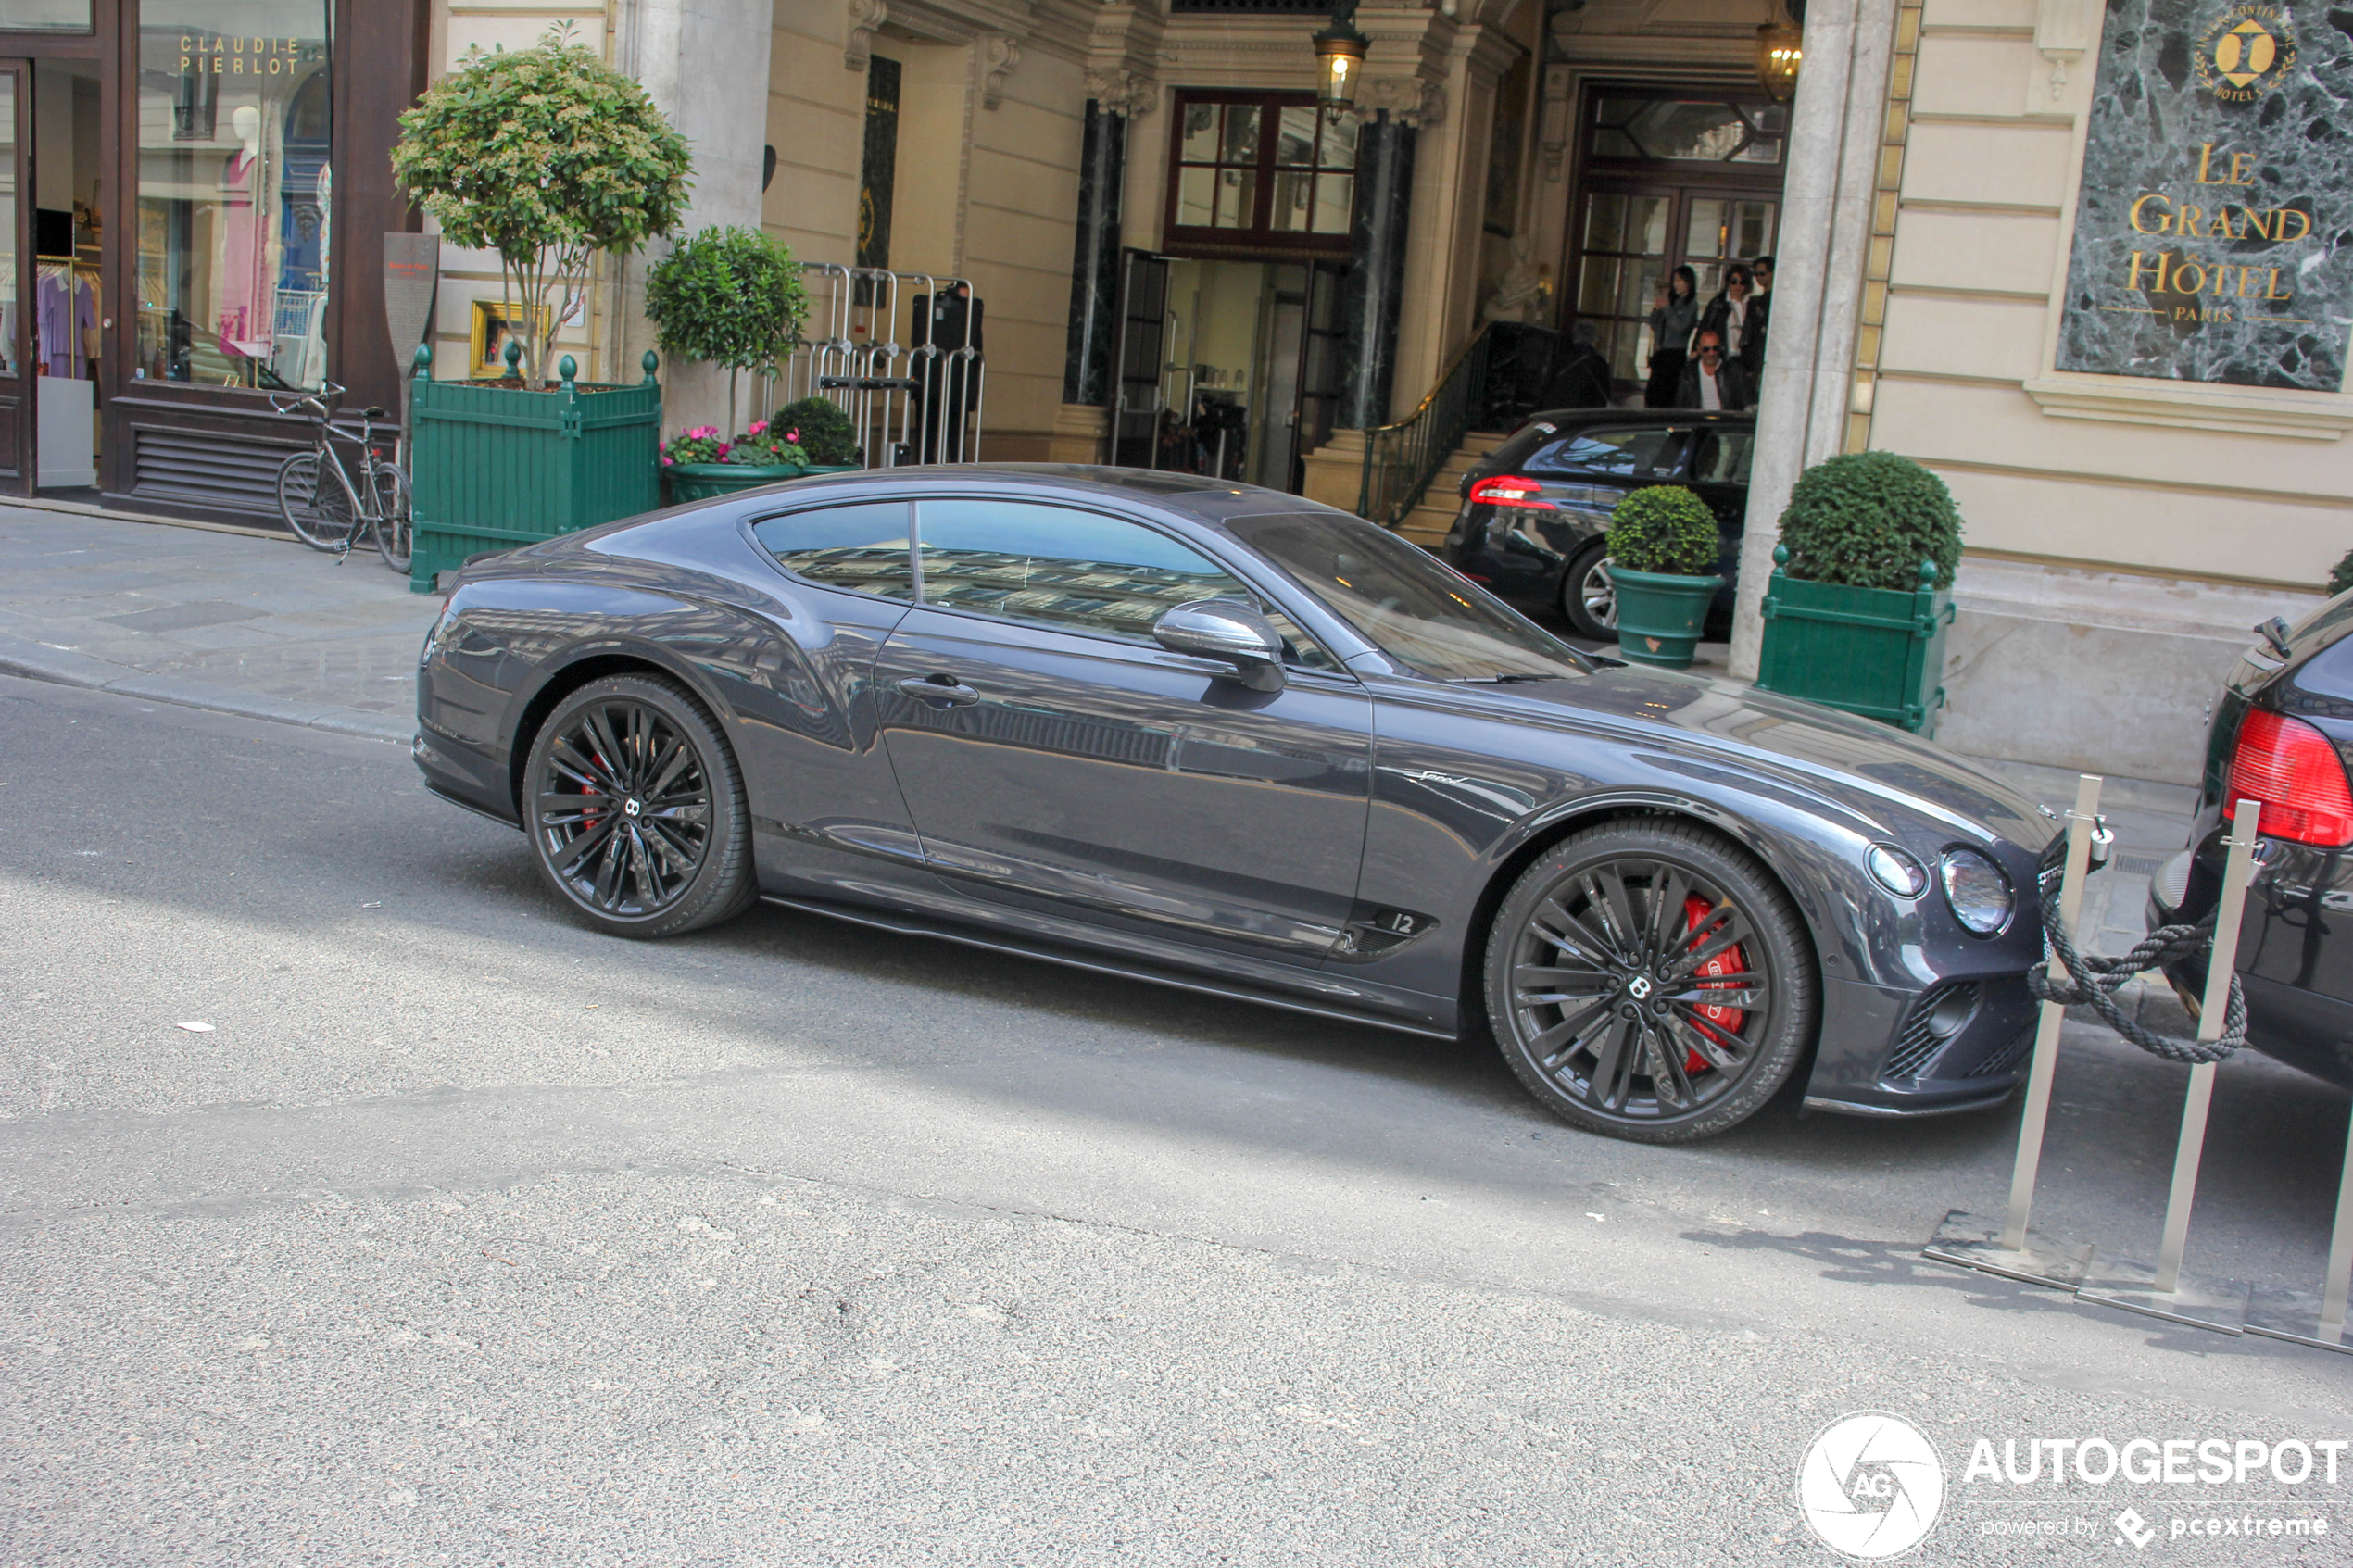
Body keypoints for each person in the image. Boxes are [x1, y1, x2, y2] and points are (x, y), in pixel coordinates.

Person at [1644, 265, 1699, 408]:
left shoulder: (1691, 305)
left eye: (1680, 281)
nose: (1675, 284)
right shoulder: (1672, 301)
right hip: (1662, 352)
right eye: (1674, 281)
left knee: (1667, 395)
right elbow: (1655, 325)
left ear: (1688, 282)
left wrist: (1667, 308)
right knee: (1653, 394)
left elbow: (1681, 328)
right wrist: (1657, 310)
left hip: (1676, 353)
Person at [1541, 319, 1613, 409]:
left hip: (1557, 412)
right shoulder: (1599, 363)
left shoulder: (1562, 358)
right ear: (1593, 338)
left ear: (1575, 335)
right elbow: (1603, 397)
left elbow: (1547, 386)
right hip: (1582, 415)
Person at [1697, 264, 1755, 370]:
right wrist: (1696, 350)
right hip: (1722, 353)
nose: (1738, 286)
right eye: (1734, 282)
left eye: (1742, 282)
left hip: (1744, 357)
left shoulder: (1751, 304)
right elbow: (1705, 326)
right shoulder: (1718, 303)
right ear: (1728, 282)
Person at [1676, 331, 1750, 411]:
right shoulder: (1689, 373)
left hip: (1726, 421)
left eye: (1715, 348)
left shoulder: (1734, 370)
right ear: (1699, 349)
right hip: (1699, 421)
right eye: (1706, 349)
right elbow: (1681, 404)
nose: (1711, 353)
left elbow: (1745, 402)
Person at [1743, 255, 1774, 378]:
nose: (1758, 278)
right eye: (1756, 274)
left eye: (1762, 274)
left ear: (1772, 273)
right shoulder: (1756, 301)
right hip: (1756, 354)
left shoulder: (1773, 300)